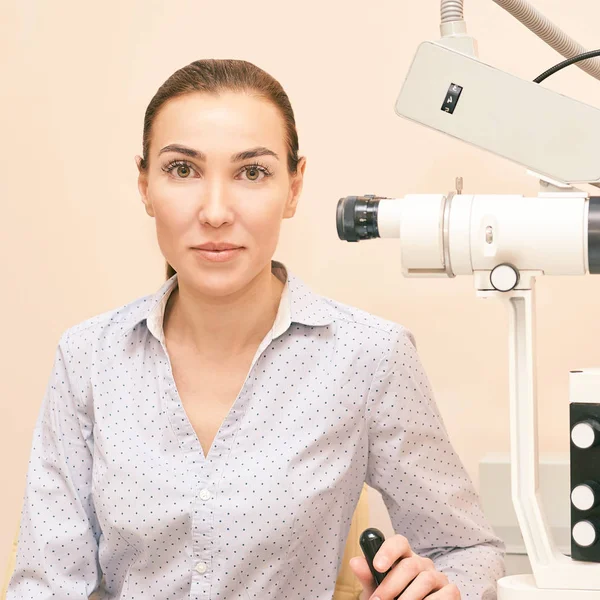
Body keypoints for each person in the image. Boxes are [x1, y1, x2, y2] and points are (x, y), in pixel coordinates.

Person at [7, 59, 505, 600]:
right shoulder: (87, 357)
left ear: (293, 188)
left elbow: (467, 550)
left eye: (252, 173)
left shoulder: (370, 356)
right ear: (145, 185)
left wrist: (438, 588)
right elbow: (47, 583)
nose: (216, 211)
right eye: (182, 170)